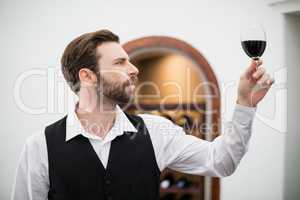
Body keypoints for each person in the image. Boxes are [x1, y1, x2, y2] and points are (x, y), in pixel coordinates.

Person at [11, 29, 274, 200]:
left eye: (129, 60)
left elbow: (222, 161)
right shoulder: (39, 146)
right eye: (120, 62)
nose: (134, 68)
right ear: (87, 76)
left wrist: (245, 103)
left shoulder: (156, 131)